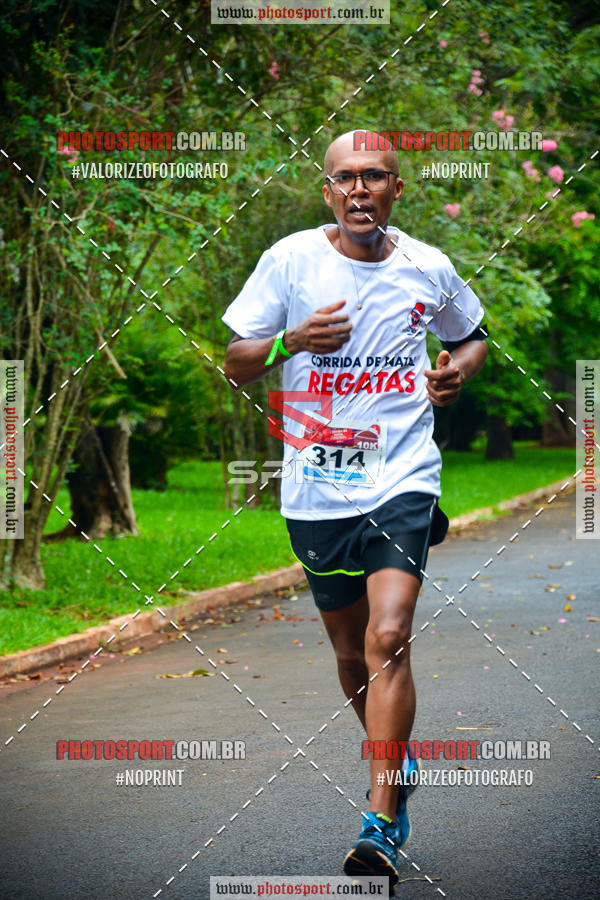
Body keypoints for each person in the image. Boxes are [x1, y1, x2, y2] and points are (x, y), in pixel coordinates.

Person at [222, 130, 488, 887]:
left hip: (403, 476)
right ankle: (393, 763)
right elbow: (235, 362)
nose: (361, 189)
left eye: (376, 176)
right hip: (316, 489)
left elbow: (470, 340)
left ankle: (379, 822)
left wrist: (453, 375)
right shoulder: (290, 262)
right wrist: (290, 342)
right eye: (346, 178)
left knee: (389, 634)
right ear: (328, 191)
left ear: (397, 189)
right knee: (349, 657)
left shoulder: (426, 265)